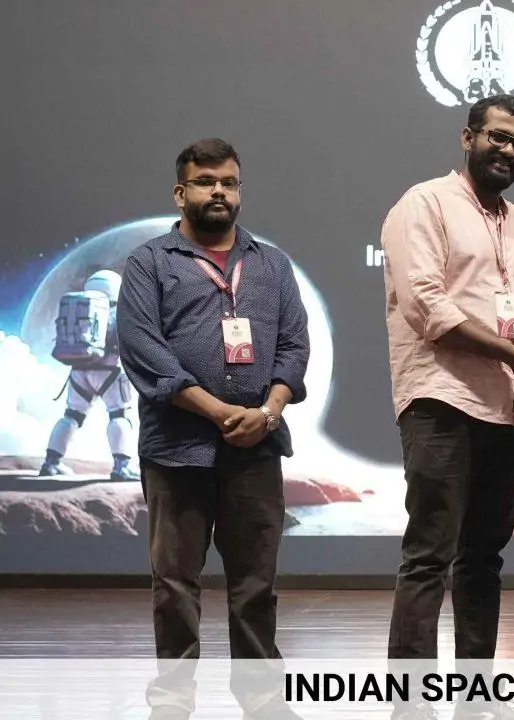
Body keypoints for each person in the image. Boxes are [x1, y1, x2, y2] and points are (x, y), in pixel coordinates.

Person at [379, 93, 514, 720]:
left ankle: (476, 694)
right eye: (498, 137)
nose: (509, 150)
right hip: (444, 399)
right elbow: (428, 307)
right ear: (468, 137)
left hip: (509, 408)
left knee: (484, 557)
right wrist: (512, 353)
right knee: (429, 554)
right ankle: (411, 703)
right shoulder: (424, 204)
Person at [116, 138, 309, 719]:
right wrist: (218, 411)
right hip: (176, 450)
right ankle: (172, 704)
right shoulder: (150, 262)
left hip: (257, 447)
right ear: (181, 193)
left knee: (255, 584)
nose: (218, 191)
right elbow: (144, 351)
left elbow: (294, 348)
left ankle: (263, 700)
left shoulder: (272, 264)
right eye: (205, 182)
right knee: (175, 584)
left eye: (228, 181)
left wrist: (267, 411)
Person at [40, 268, 141, 482]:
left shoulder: (78, 309)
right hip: (110, 373)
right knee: (119, 415)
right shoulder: (118, 313)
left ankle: (50, 463)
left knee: (72, 416)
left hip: (78, 371)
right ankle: (122, 467)